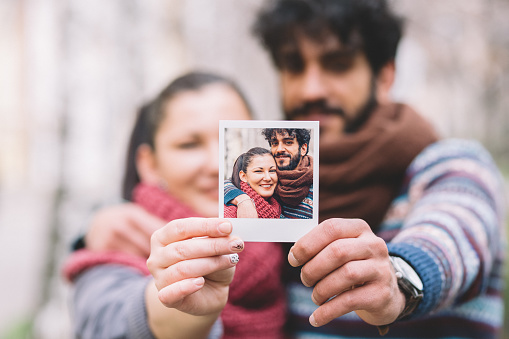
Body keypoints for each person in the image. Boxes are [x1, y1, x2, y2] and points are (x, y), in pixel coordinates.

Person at [80, 1, 506, 338]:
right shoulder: (279, 203)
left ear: (384, 75)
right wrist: (96, 228)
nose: (311, 88)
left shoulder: (447, 166)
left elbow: (455, 230)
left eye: (338, 64)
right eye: (294, 66)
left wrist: (400, 277)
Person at [63, 72, 287, 339]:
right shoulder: (116, 245)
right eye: (189, 144)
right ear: (150, 164)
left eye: (234, 141)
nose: (217, 165)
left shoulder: (294, 242)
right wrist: (185, 302)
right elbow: (112, 321)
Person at [225, 128, 314, 219]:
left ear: (303, 149)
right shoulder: (274, 177)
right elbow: (229, 183)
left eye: (288, 142)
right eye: (275, 143)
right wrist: (242, 199)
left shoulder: (315, 182)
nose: (279, 149)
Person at [224, 147, 281, 219]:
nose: (268, 178)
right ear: (244, 176)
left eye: (272, 170)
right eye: (259, 171)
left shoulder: (280, 204)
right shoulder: (229, 213)